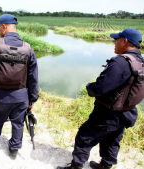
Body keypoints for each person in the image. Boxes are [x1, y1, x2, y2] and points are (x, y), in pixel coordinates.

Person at [57, 28, 143, 169]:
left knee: (84, 136)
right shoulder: (140, 61)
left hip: (109, 113)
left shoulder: (120, 63)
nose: (114, 43)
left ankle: (76, 166)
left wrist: (89, 87)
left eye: (117, 40)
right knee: (112, 139)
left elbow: (100, 88)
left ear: (125, 41)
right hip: (127, 112)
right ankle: (105, 165)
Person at [0, 14, 39, 159]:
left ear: (4, 26)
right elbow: (33, 76)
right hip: (21, 96)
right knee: (18, 122)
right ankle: (14, 149)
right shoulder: (28, 48)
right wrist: (32, 99)